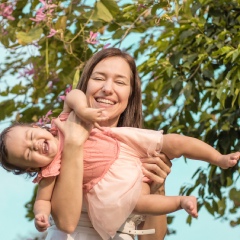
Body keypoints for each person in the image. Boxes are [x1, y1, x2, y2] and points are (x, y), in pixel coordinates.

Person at [1, 88, 240, 240]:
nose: (34, 146)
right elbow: (43, 201)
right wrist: (41, 216)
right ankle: (181, 201)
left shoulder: (64, 121)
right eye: (28, 155)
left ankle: (218, 158)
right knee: (137, 201)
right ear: (32, 169)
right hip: (108, 181)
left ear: (36, 127)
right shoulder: (51, 171)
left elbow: (73, 96)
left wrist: (83, 108)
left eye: (31, 139)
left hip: (122, 145)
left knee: (171, 142)